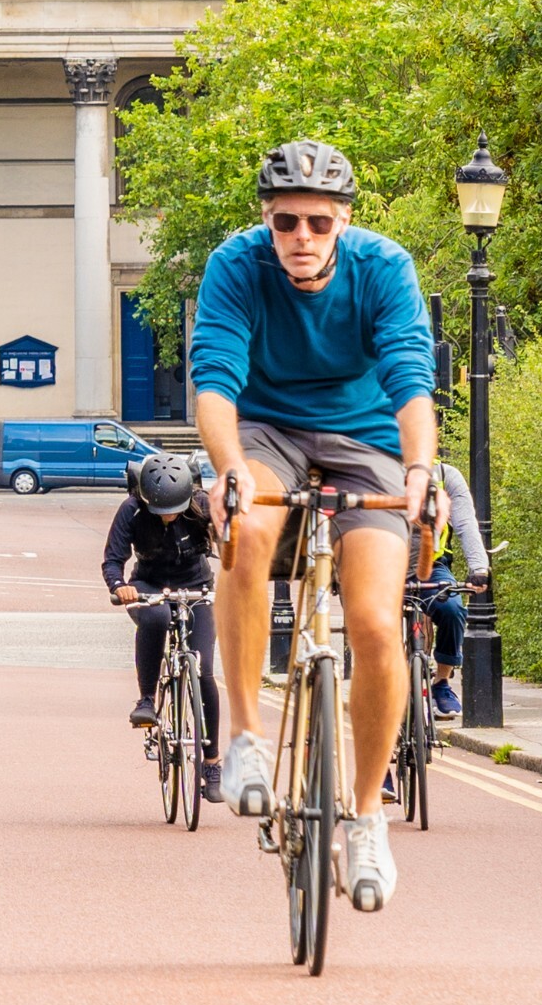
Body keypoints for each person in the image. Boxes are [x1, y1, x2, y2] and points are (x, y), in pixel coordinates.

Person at [193, 139, 440, 914]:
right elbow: (215, 382)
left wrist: (420, 472)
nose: (302, 236)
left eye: (318, 223)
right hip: (267, 433)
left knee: (372, 621)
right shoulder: (236, 266)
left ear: (344, 222)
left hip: (365, 440)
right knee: (249, 528)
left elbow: (409, 378)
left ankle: (367, 816)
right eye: (286, 221)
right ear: (267, 220)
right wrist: (229, 467)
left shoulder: (384, 267)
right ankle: (245, 739)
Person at [104, 453, 224, 805]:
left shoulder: (201, 505)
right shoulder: (132, 509)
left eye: (173, 509)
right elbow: (113, 559)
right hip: (150, 585)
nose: (167, 516)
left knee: (203, 670)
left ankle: (212, 764)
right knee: (155, 619)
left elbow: (229, 543)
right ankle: (147, 699)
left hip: (197, 586)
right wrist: (118, 585)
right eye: (161, 510)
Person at [419, 460, 491, 721]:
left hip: (432, 566)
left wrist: (479, 567)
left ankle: (441, 682)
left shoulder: (444, 475)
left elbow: (465, 524)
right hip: (384, 564)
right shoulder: (375, 464)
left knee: (453, 608)